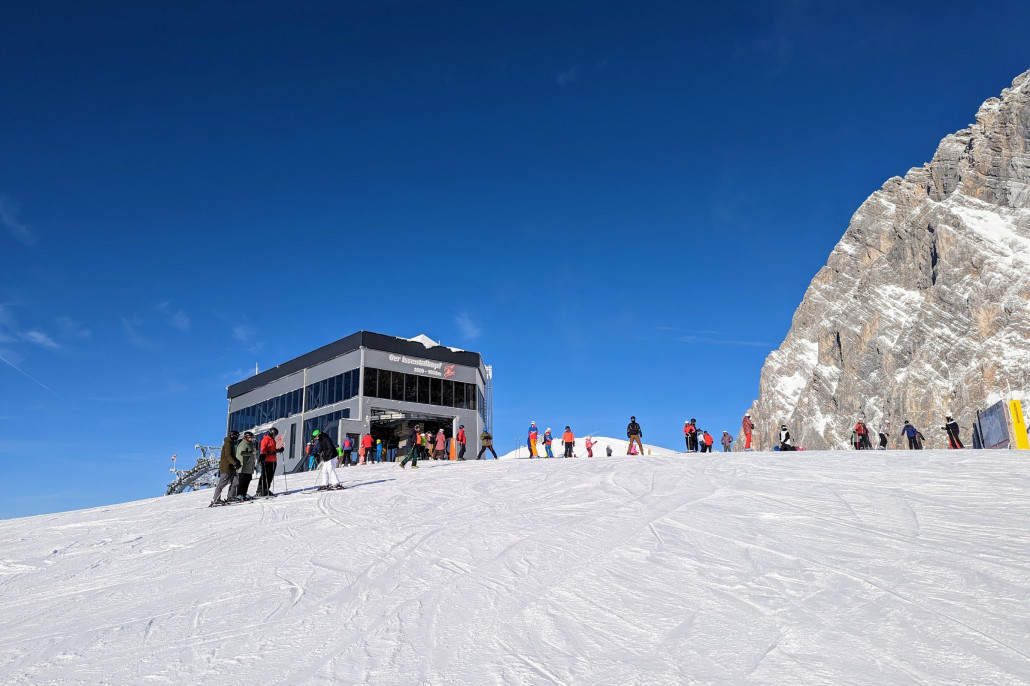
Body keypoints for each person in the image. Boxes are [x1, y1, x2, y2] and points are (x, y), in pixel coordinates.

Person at [210, 430, 242, 506]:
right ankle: (216, 499)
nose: (237, 437)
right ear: (233, 436)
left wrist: (237, 462)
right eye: (237, 436)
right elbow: (228, 456)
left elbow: (233, 456)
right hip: (226, 468)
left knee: (235, 481)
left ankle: (231, 497)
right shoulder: (228, 443)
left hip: (231, 468)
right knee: (222, 484)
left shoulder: (231, 443)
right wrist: (235, 463)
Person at [256, 427, 282, 497]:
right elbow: (263, 448)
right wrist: (263, 455)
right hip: (267, 460)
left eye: (276, 434)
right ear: (271, 433)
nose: (275, 436)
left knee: (270, 476)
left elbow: (273, 449)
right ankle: (260, 490)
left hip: (273, 460)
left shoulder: (273, 440)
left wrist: (278, 450)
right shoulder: (265, 439)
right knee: (264, 475)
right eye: (274, 434)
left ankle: (266, 489)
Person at [236, 430, 257, 500]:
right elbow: (242, 453)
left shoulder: (249, 444)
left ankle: (244, 493)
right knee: (242, 481)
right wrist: (251, 453)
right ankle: (239, 494)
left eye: (252, 437)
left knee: (247, 480)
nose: (252, 439)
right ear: (246, 437)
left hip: (248, 467)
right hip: (243, 466)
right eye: (250, 437)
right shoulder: (243, 444)